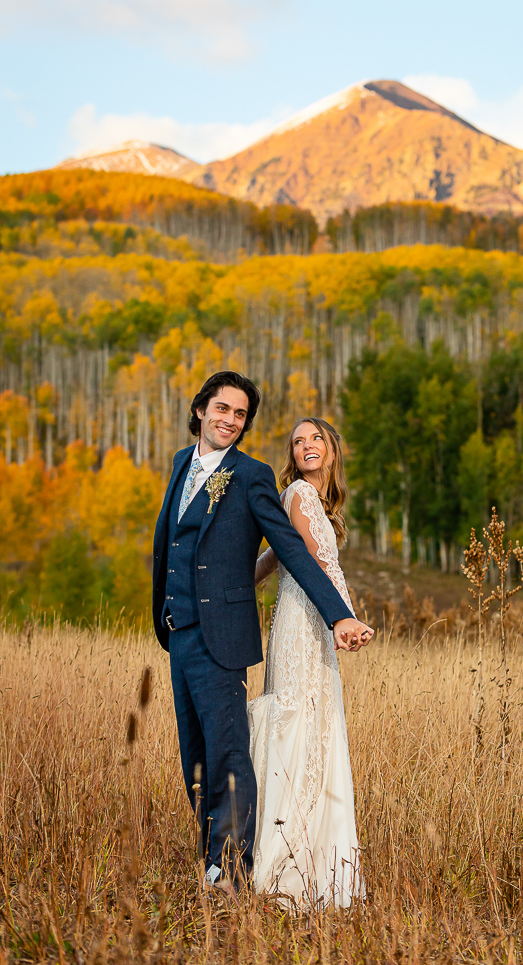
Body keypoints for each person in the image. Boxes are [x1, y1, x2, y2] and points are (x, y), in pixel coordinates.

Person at [152, 372, 373, 894]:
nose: (230, 419)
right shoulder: (181, 465)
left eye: (240, 414)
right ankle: (211, 858)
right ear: (201, 409)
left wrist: (339, 615)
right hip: (178, 631)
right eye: (222, 409)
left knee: (230, 751)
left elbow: (290, 549)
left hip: (224, 636)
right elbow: (171, 545)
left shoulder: (250, 477)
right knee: (196, 756)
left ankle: (229, 871)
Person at [249, 416, 373, 908]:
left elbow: (274, 559)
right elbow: (317, 567)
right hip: (304, 624)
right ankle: (284, 865)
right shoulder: (298, 494)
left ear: (331, 448)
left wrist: (241, 582)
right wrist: (346, 617)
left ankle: (315, 865)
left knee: (316, 729)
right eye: (297, 442)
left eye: (315, 437)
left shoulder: (317, 504)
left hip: (313, 624)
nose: (306, 446)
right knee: (298, 727)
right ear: (293, 456)